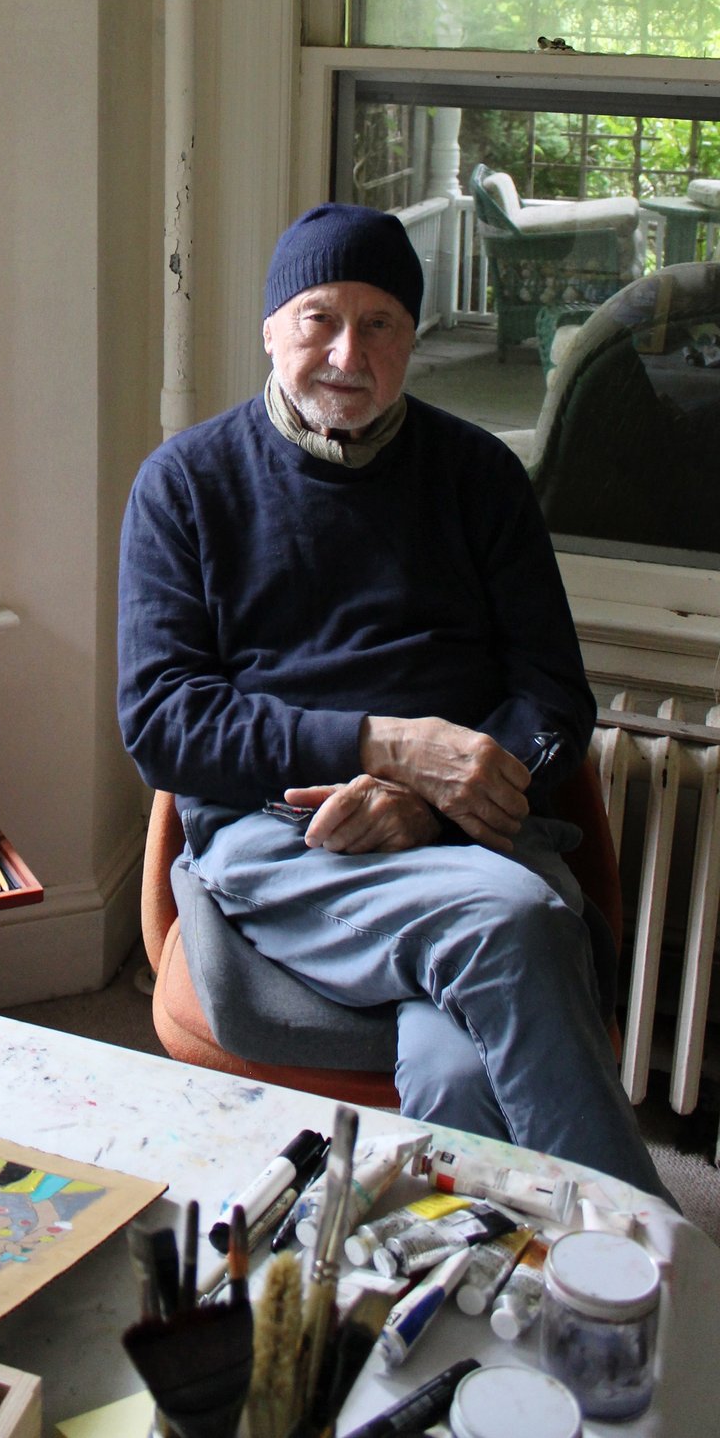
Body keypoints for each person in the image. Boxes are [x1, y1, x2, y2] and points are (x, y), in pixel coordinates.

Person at [117, 202, 670, 1200]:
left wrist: (434, 796)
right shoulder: (186, 484)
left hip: (461, 830)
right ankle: (637, 1254)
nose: (346, 352)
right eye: (319, 317)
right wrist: (384, 747)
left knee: (458, 1072)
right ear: (271, 328)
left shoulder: (482, 479)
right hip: (285, 836)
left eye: (380, 324)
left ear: (414, 338)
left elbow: (553, 695)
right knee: (517, 926)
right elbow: (162, 722)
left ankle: (464, 1292)